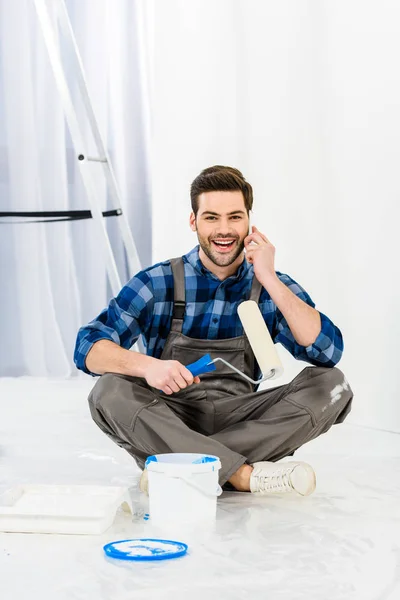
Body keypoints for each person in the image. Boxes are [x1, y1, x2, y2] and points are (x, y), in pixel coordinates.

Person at [74, 165, 353, 496]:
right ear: (193, 221)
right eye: (211, 218)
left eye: (235, 217)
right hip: (170, 416)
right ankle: (242, 475)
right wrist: (149, 367)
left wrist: (270, 279)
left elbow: (327, 352)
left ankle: (178, 467)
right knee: (108, 391)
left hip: (242, 419)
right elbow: (87, 347)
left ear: (250, 221)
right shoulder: (158, 282)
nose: (224, 229)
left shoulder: (269, 285)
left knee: (333, 386)